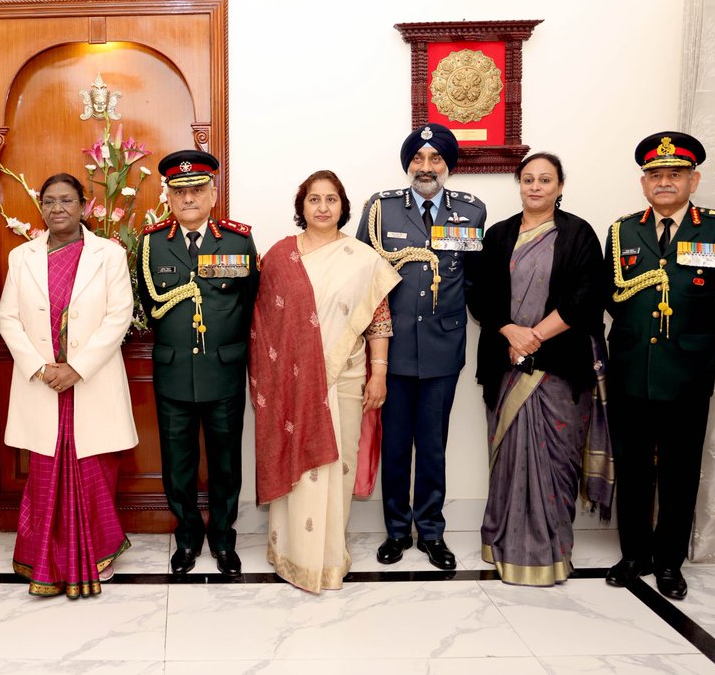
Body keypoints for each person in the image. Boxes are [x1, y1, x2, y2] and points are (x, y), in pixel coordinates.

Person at [604, 132, 715, 600]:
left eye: (675, 174)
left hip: (687, 372)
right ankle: (634, 555)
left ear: (693, 180)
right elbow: (612, 295)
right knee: (632, 469)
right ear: (643, 182)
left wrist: (696, 337)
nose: (664, 182)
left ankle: (669, 562)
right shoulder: (622, 232)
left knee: (680, 470)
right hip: (631, 369)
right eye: (655, 175)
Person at [251, 171, 400, 592]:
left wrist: (379, 373)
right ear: (301, 206)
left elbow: (379, 321)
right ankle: (290, 552)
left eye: (331, 199)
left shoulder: (363, 259)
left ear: (343, 206)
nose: (322, 207)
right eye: (313, 199)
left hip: (344, 377)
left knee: (337, 466)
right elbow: (263, 326)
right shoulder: (279, 256)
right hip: (290, 385)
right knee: (297, 464)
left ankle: (330, 556)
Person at [469, 152, 613, 586]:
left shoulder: (578, 233)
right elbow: (480, 295)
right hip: (506, 363)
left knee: (556, 461)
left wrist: (534, 336)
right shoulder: (498, 234)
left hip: (560, 367)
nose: (535, 186)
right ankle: (504, 545)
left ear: (560, 186)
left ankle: (551, 551)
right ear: (519, 184)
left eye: (545, 180)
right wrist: (510, 331)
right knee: (510, 461)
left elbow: (586, 295)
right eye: (528, 179)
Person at [0, 172, 137, 598]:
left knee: (93, 467)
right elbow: (8, 318)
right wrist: (41, 368)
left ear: (83, 206)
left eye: (67, 200)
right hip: (43, 382)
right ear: (41, 207)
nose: (57, 208)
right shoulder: (22, 257)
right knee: (45, 471)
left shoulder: (109, 254)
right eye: (49, 201)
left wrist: (76, 367)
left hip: (90, 380)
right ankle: (43, 557)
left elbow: (119, 315)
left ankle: (99, 554)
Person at [355, 123, 486, 570]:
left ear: (448, 165)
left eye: (435, 159)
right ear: (408, 164)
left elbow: (472, 280)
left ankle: (431, 531)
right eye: (418, 159)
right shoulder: (380, 209)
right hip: (390, 349)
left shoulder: (470, 211)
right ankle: (396, 531)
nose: (426, 167)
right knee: (395, 446)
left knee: (432, 446)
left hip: (442, 347)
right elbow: (363, 278)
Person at [137, 149, 259, 575]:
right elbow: (148, 303)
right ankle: (187, 537)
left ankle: (223, 539)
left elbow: (249, 303)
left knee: (226, 462)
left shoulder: (238, 241)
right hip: (173, 372)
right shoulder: (152, 243)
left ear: (212, 194)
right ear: (168, 197)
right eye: (179, 191)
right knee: (178, 463)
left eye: (197, 190)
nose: (188, 198)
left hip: (223, 370)